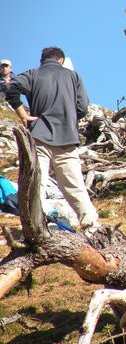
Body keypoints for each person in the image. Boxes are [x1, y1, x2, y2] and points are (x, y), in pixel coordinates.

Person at [5, 47, 101, 236]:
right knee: (75, 187)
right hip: (67, 139)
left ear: (42, 60)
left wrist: (23, 114)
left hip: (40, 137)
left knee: (36, 185)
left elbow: (11, 89)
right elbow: (82, 107)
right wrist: (69, 116)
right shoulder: (74, 77)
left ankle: (34, 229)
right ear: (61, 60)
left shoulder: (33, 74)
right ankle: (92, 228)